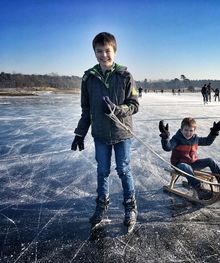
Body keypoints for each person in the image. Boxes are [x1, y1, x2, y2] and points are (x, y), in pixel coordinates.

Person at [71, 32, 139, 228]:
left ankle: (130, 206)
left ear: (114, 51)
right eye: (99, 51)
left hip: (122, 133)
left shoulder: (125, 75)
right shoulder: (88, 78)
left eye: (107, 51)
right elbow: (86, 110)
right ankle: (101, 206)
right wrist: (79, 133)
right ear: (94, 53)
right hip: (100, 134)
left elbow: (134, 105)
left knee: (124, 169)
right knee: (102, 171)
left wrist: (118, 110)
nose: (103, 55)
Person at [159, 117, 220, 200]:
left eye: (191, 130)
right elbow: (168, 147)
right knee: (185, 166)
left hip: (193, 163)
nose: (188, 133)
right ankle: (199, 189)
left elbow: (207, 141)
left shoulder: (195, 139)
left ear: (194, 130)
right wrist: (165, 138)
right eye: (186, 130)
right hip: (179, 165)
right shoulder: (177, 139)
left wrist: (214, 132)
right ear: (181, 129)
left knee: (210, 161)